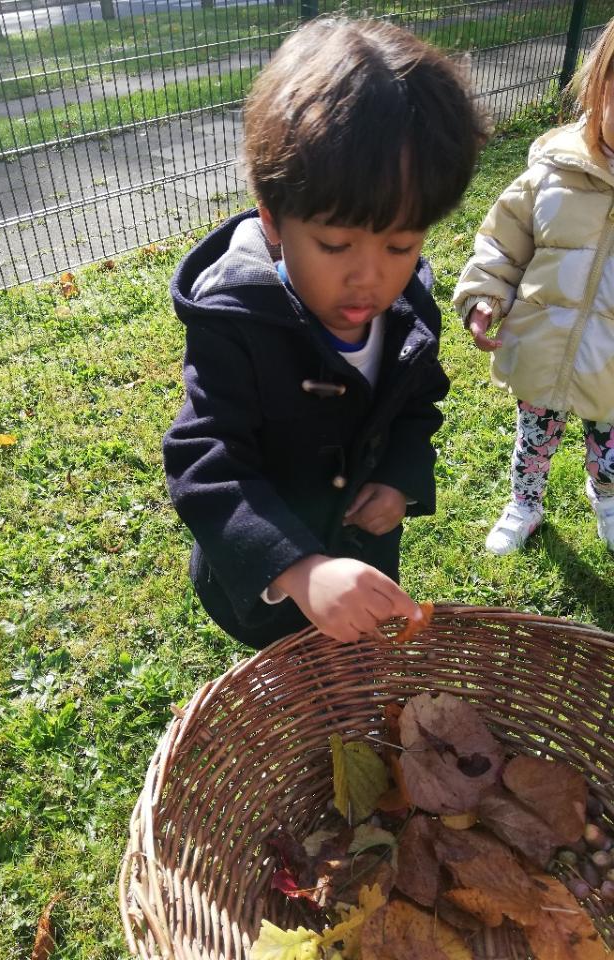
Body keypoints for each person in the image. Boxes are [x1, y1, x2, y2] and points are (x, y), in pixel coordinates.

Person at [163, 17, 486, 648]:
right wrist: (299, 569)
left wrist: (400, 479)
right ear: (273, 221)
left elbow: (418, 403)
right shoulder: (237, 321)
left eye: (401, 245)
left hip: (362, 554)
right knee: (290, 670)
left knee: (353, 668)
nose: (370, 278)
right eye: (336, 245)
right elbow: (205, 459)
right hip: (272, 579)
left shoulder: (408, 307)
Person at [453, 18, 614, 557]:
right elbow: (503, 243)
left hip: (611, 361)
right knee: (535, 436)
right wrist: (484, 296)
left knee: (612, 448)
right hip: (545, 342)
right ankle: (525, 503)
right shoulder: (552, 173)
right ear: (598, 88)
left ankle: (607, 497)